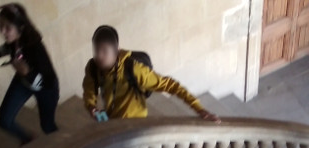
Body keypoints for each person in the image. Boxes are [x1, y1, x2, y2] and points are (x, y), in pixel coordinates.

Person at [83, 25, 219, 122]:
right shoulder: (93, 68)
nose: (99, 56)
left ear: (117, 50)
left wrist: (199, 109)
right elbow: (89, 91)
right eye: (96, 50)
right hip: (113, 122)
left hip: (136, 124)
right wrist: (92, 107)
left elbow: (171, 85)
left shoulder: (133, 69)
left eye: (104, 51)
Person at [0, 3, 58, 145]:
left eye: (7, 28)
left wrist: (27, 72)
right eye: (0, 26)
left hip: (45, 89)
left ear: (20, 28)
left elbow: (46, 80)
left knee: (47, 126)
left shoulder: (36, 49)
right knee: (3, 120)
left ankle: (62, 146)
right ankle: (28, 139)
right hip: (23, 81)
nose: (3, 32)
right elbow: (7, 48)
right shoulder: (14, 40)